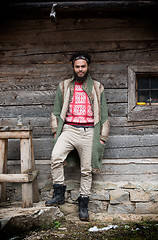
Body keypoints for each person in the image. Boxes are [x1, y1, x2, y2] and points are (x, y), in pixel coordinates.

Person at [45, 51, 110, 221]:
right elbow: (56, 111)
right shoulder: (65, 86)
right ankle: (59, 193)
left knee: (86, 170)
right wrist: (55, 131)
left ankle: (83, 205)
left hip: (89, 132)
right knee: (56, 157)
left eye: (83, 66)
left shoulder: (97, 87)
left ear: (88, 67)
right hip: (68, 130)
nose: (80, 69)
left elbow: (104, 115)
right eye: (77, 66)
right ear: (73, 68)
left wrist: (102, 137)